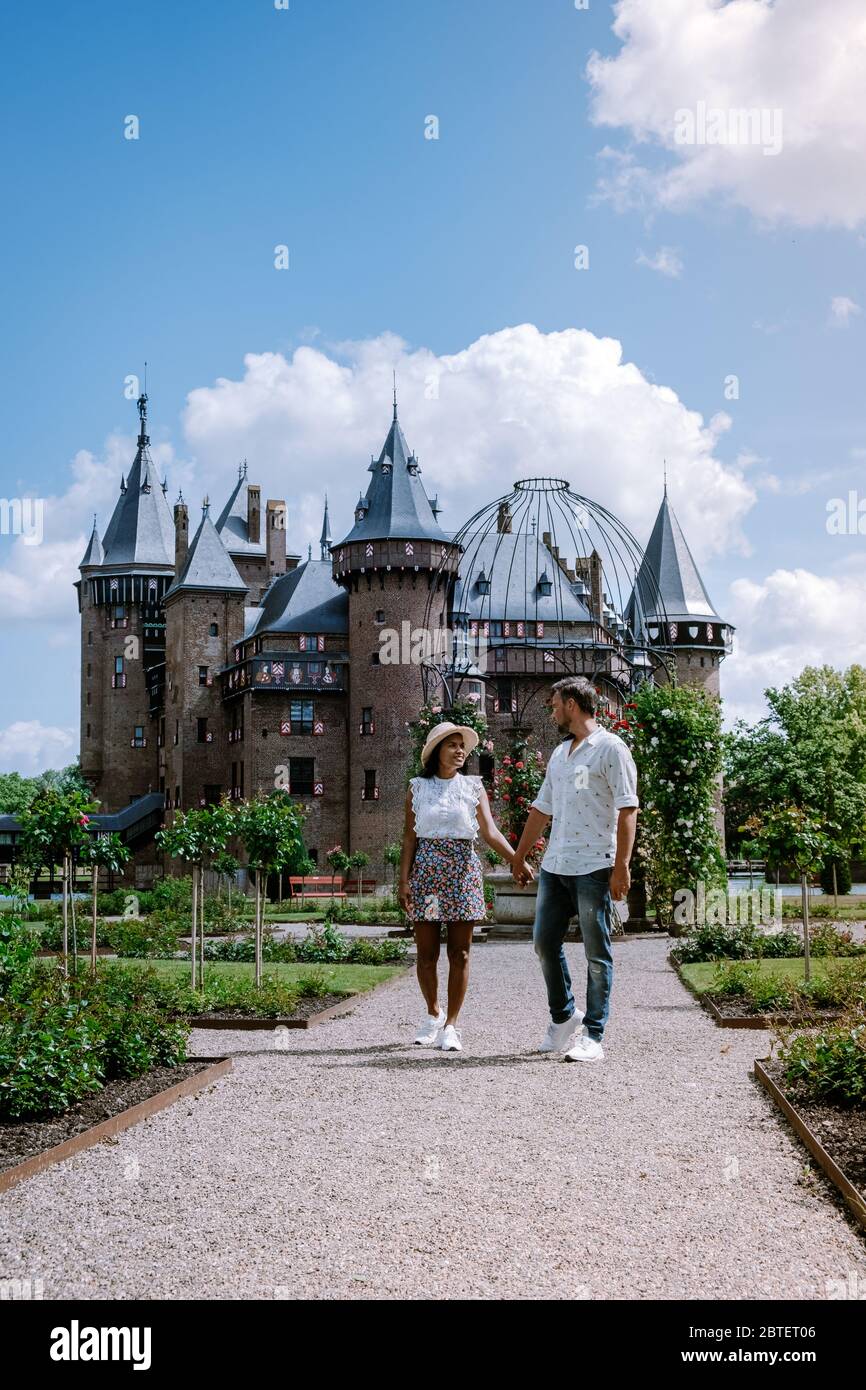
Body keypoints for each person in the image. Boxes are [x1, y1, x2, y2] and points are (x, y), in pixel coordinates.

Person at [511, 677, 638, 1063]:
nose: (551, 710)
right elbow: (541, 808)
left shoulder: (612, 749)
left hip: (595, 865)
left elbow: (627, 808)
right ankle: (564, 1016)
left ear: (570, 703)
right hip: (556, 864)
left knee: (596, 952)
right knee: (543, 942)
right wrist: (519, 856)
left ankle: (593, 1035)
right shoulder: (560, 753)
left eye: (553, 704)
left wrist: (622, 867)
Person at [398, 721, 528, 1052]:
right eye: (452, 745)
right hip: (427, 875)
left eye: (462, 746)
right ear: (436, 750)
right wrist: (404, 880)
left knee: (461, 952)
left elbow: (490, 832)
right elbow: (410, 837)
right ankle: (433, 1014)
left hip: (461, 873)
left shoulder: (473, 787)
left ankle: (452, 1025)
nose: (459, 751)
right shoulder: (417, 787)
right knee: (427, 953)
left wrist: (517, 859)